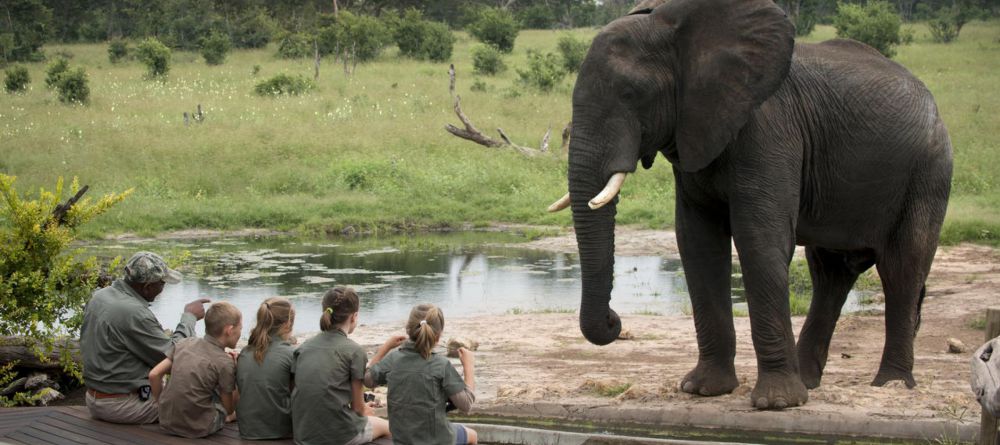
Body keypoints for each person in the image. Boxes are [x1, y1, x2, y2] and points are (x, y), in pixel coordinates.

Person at [80, 251, 210, 424]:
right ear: (147, 286)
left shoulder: (100, 296)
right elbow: (176, 355)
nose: (163, 289)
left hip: (94, 398)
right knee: (206, 403)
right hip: (123, 405)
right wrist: (189, 317)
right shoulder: (134, 312)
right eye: (162, 283)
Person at [291, 286, 404, 445]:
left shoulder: (303, 348)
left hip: (303, 434)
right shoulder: (355, 351)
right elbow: (359, 409)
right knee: (391, 427)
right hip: (338, 436)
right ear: (354, 317)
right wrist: (367, 411)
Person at [365, 303, 479, 445]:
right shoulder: (441, 365)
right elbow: (466, 404)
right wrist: (469, 366)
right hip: (438, 440)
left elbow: (367, 380)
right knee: (472, 436)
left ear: (408, 330)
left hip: (402, 439)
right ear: (438, 336)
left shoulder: (393, 359)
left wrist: (385, 347)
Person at [149, 302, 242, 439]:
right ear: (229, 330)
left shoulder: (184, 343)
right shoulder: (224, 363)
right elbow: (228, 408)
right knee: (231, 409)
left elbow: (154, 374)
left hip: (166, 421)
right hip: (198, 428)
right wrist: (235, 370)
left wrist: (160, 403)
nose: (241, 332)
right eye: (240, 328)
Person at [236, 297, 296, 440]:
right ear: (287, 324)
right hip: (280, 430)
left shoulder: (245, 352)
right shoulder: (290, 354)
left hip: (247, 430)